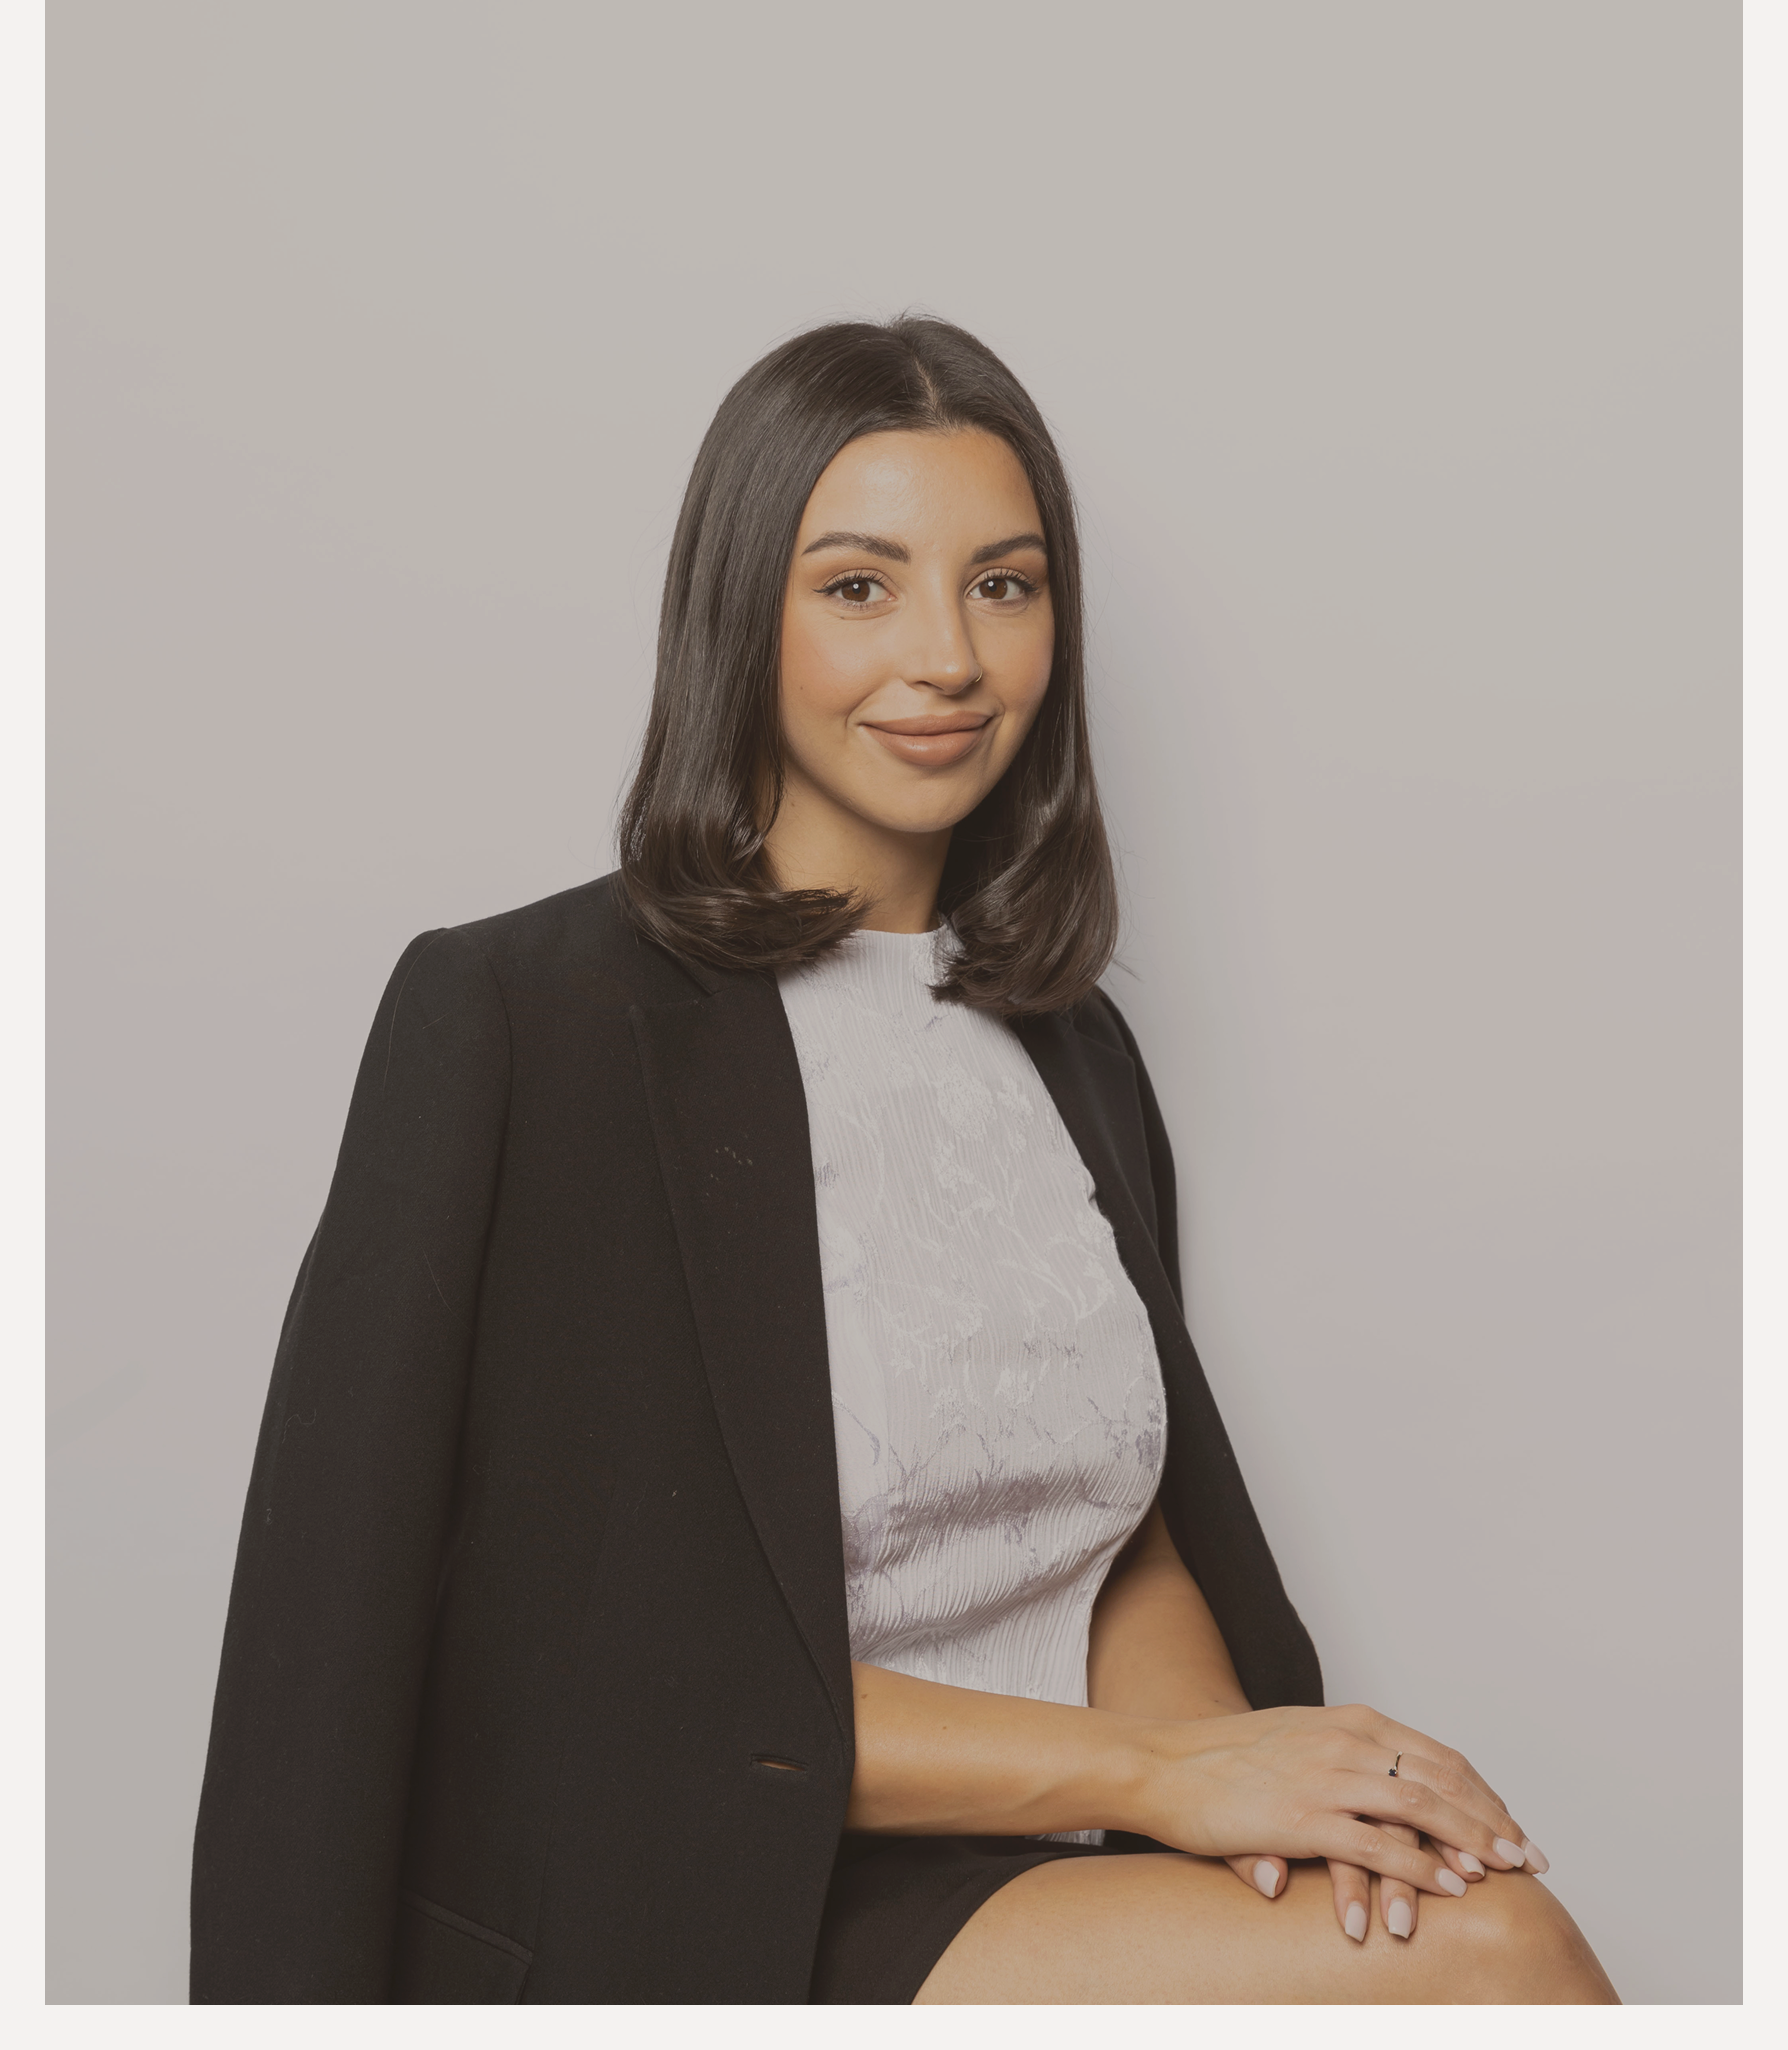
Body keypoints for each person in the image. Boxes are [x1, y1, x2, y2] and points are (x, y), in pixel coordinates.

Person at [190, 315, 1617, 2005]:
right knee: (1492, 1960)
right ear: (745, 616)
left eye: (1004, 584)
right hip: (703, 1907)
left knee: (1445, 1905)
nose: (946, 654)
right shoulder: (524, 1019)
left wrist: (1280, 1804)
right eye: (860, 586)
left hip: (1049, 1863)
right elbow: (396, 1651)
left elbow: (1112, 1523)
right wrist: (1150, 1779)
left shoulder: (1070, 1047)